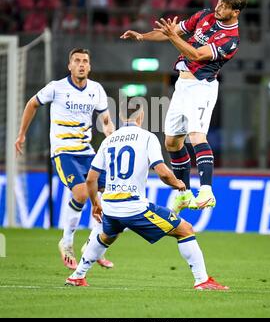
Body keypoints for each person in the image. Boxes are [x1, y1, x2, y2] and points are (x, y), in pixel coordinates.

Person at [65, 100, 228, 290]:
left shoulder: (108, 140)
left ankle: (77, 276)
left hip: (109, 205)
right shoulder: (147, 137)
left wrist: (95, 203)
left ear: (121, 118)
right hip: (133, 206)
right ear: (140, 117)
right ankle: (202, 280)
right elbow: (162, 171)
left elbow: (91, 179)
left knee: (106, 236)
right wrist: (180, 184)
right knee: (185, 230)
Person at [120, 0, 248, 213]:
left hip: (202, 88)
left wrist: (171, 37)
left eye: (225, 6)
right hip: (182, 86)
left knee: (196, 135)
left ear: (235, 12)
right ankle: (183, 193)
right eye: (219, 1)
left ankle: (206, 191)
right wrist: (142, 36)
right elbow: (174, 30)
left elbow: (196, 54)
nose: (219, 7)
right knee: (172, 142)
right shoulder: (204, 15)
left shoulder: (231, 40)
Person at [15, 48, 115, 270]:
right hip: (63, 152)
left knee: (113, 193)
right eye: (77, 61)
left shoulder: (96, 90)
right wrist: (22, 134)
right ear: (69, 66)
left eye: (85, 61)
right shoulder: (56, 88)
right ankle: (67, 242)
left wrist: (112, 135)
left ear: (90, 67)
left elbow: (106, 120)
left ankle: (94, 248)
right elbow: (32, 103)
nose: (81, 64)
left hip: (87, 152)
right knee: (80, 193)